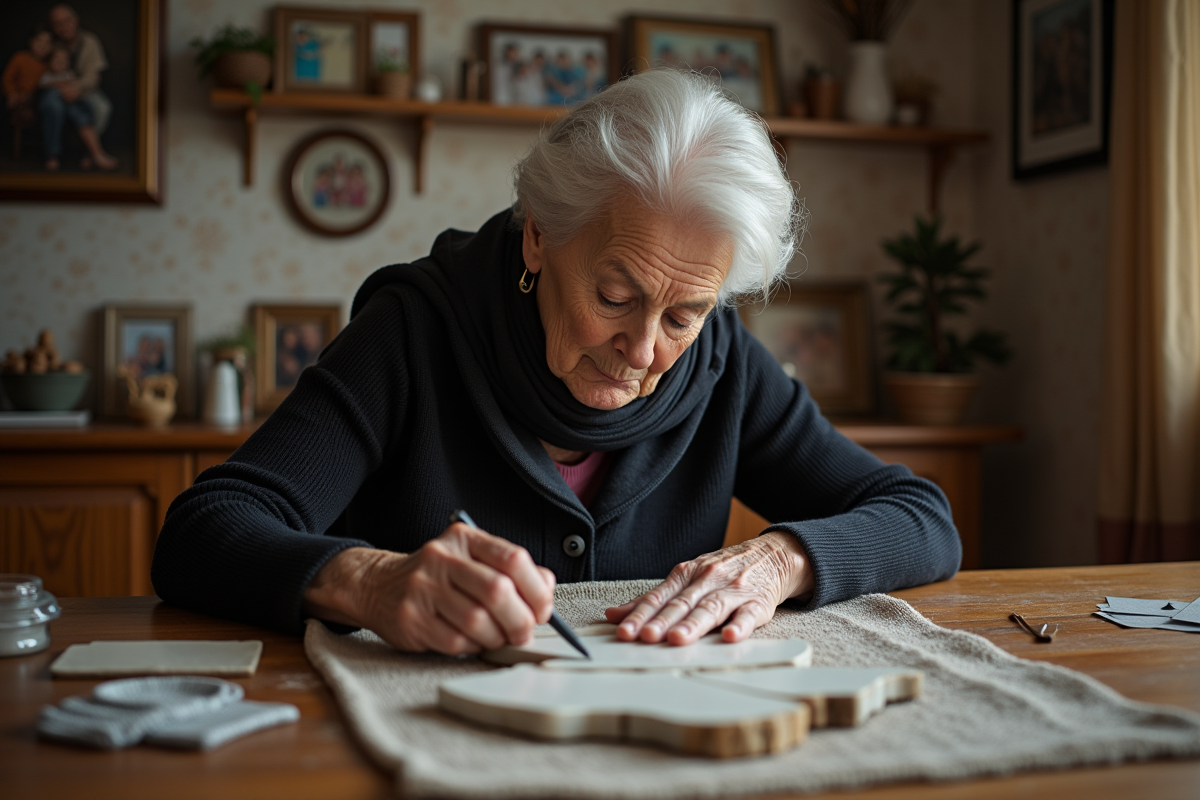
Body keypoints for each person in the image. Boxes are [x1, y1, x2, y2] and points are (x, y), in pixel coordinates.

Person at [152, 69, 960, 656]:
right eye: (613, 296)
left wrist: (781, 559)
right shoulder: (412, 331)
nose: (644, 351)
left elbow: (920, 517)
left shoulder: (722, 361)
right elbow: (203, 531)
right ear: (538, 233)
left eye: (682, 314)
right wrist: (366, 582)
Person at [38, 45, 116, 171]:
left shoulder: (69, 74)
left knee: (84, 114)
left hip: (71, 102)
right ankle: (52, 155)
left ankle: (93, 154)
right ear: (50, 62)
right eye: (56, 61)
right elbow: (42, 84)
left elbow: (79, 85)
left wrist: (73, 89)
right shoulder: (48, 76)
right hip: (56, 101)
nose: (60, 64)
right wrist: (60, 85)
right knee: (55, 107)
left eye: (63, 62)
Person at [48, 5, 112, 137]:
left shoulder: (90, 42)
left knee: (103, 108)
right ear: (53, 27)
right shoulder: (51, 44)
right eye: (58, 24)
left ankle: (89, 151)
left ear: (76, 20)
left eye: (67, 21)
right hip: (56, 88)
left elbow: (93, 77)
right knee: (51, 104)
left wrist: (76, 88)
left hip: (84, 89)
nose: (64, 27)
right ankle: (53, 153)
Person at [4, 28, 52, 111]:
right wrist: (12, 93)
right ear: (31, 41)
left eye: (47, 43)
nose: (43, 46)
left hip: (38, 103)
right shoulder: (20, 58)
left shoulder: (51, 63)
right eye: (39, 41)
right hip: (17, 100)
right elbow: (7, 79)